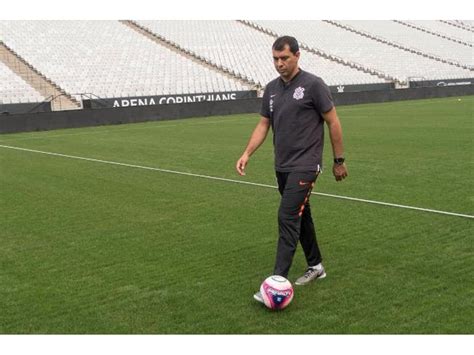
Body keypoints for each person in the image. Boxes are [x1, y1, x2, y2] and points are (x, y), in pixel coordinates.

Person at [235, 36, 348, 303]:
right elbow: (264, 124)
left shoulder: (313, 85)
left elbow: (333, 122)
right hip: (282, 166)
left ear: (297, 55)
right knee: (301, 214)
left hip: (306, 164)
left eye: (284, 58)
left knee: (287, 216)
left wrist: (339, 161)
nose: (279, 63)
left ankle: (276, 283)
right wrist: (247, 153)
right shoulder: (272, 89)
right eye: (275, 59)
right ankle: (316, 266)